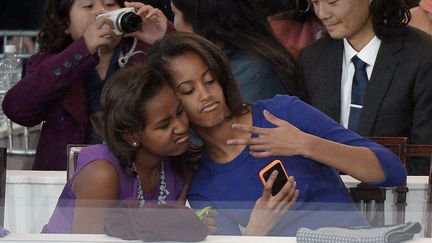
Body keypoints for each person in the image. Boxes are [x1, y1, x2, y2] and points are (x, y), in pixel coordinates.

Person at [146, 32, 407, 236]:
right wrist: (257, 229)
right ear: (173, 103)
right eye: (188, 90)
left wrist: (306, 145)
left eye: (210, 80)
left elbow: (393, 171)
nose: (205, 95)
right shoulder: (204, 185)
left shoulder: (283, 112)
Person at [2, 0, 169, 170]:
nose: (101, 12)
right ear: (65, 22)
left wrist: (166, 37)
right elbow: (16, 109)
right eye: (88, 6)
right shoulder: (53, 63)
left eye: (110, 5)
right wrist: (83, 49)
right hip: (66, 184)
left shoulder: (144, 55)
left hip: (135, 180)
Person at [42, 64, 197, 233]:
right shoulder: (102, 174)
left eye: (180, 112)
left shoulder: (180, 163)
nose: (181, 127)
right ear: (131, 136)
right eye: (164, 125)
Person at [297, 0, 432, 175]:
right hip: (325, 196)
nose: (323, 13)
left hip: (399, 195)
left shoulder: (422, 57)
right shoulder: (311, 59)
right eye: (315, 2)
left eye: (333, 2)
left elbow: (424, 160)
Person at [169, 0, 301, 103]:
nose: (175, 25)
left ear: (197, 21)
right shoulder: (245, 55)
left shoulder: (250, 70)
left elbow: (237, 132)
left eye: (175, 14)